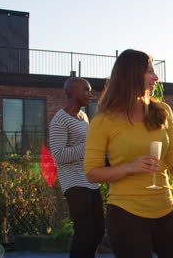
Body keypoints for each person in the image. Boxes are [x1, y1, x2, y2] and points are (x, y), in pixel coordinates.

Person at [83, 49, 173, 258]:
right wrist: (130, 167)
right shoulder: (103, 121)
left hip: (165, 208)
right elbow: (92, 173)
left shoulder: (162, 111)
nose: (156, 77)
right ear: (131, 75)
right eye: (149, 72)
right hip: (125, 213)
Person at [49, 77, 105, 258]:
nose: (90, 94)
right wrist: (90, 145)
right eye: (86, 90)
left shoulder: (83, 117)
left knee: (98, 231)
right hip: (74, 183)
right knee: (85, 233)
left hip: (90, 180)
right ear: (71, 93)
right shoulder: (60, 120)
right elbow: (59, 155)